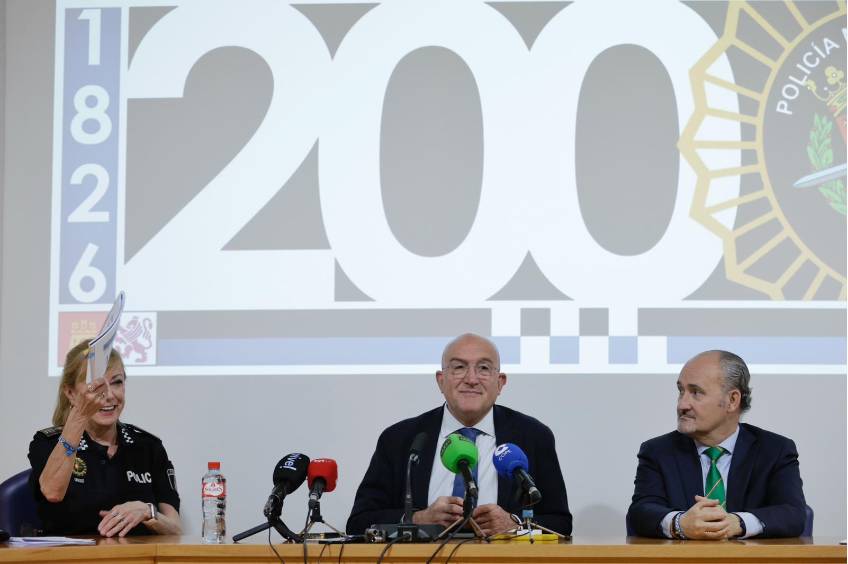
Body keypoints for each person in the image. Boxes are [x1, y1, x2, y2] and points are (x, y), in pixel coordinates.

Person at [347, 333, 572, 536]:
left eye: (484, 368)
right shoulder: (399, 439)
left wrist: (514, 524)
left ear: (500, 382)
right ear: (441, 380)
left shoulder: (533, 436)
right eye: (459, 367)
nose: (471, 379)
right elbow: (359, 522)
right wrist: (417, 519)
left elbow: (560, 522)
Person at [627, 350, 806, 539]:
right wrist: (680, 523)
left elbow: (793, 513)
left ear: (732, 400)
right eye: (681, 391)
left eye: (696, 392)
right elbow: (641, 511)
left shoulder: (775, 450)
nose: (682, 405)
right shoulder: (658, 452)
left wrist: (738, 522)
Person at [28, 340, 182, 537]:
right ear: (71, 393)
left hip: (136, 553)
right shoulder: (48, 443)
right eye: (95, 386)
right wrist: (79, 416)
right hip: (70, 553)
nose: (108, 395)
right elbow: (52, 492)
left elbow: (176, 529)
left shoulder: (148, 447)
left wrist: (147, 512)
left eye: (117, 382)